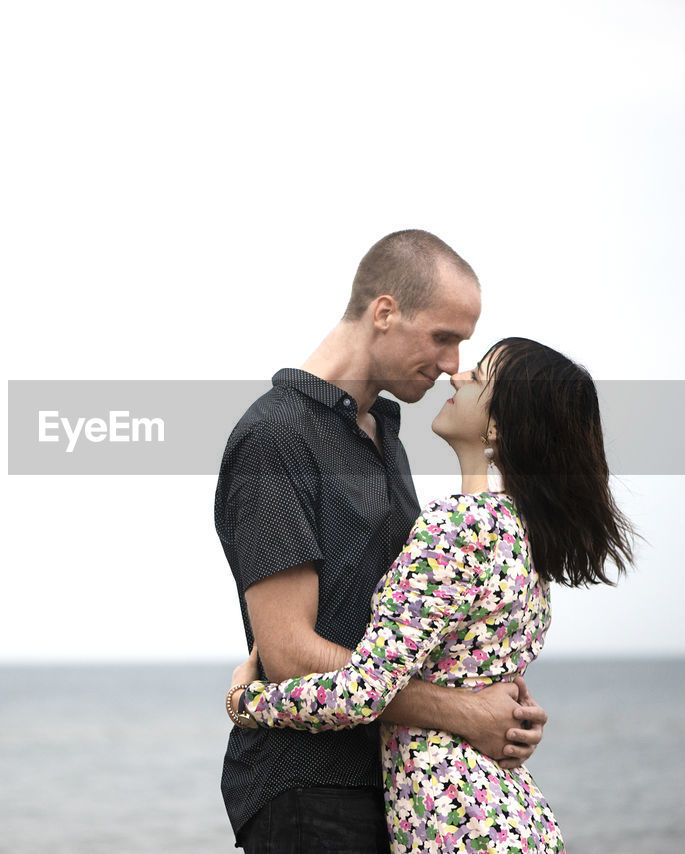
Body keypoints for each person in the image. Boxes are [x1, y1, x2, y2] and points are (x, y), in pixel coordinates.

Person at [225, 337, 637, 854]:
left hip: (454, 821)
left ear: (497, 428)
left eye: (479, 377)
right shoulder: (520, 534)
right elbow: (488, 678)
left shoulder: (458, 528)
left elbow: (360, 692)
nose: (457, 375)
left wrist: (247, 701)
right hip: (510, 817)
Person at [215, 231, 549, 853]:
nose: (453, 364)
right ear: (385, 312)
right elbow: (288, 656)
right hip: (309, 788)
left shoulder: (383, 434)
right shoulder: (275, 437)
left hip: (400, 793)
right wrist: (462, 712)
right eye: (443, 337)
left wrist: (496, 705)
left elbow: (413, 626)